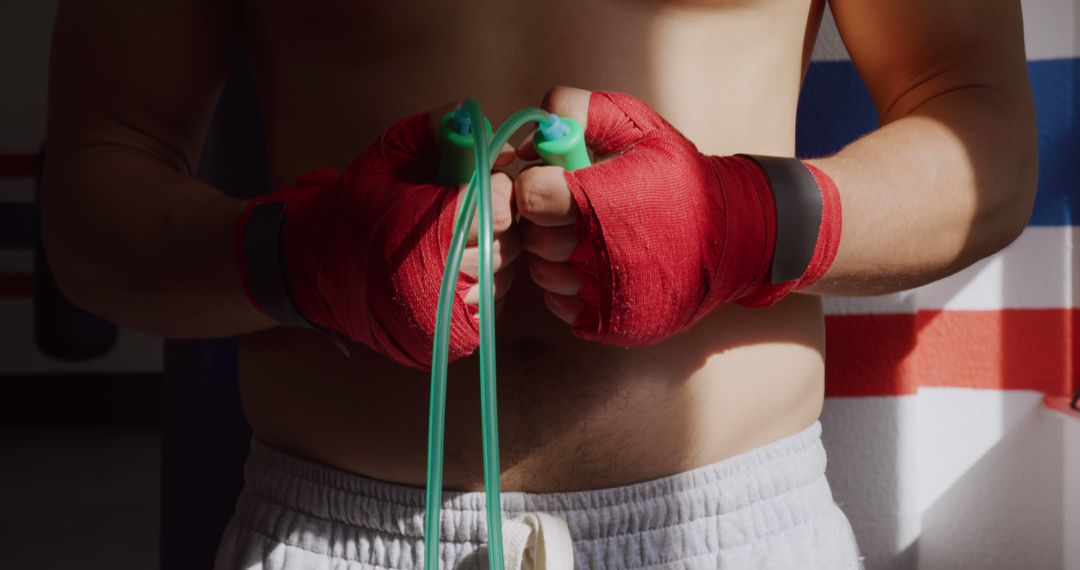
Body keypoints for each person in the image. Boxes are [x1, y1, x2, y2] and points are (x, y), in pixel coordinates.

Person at [42, 0, 1037, 568]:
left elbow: (984, 139)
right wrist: (297, 258)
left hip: (729, 530)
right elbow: (91, 200)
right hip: (336, 535)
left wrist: (747, 222)